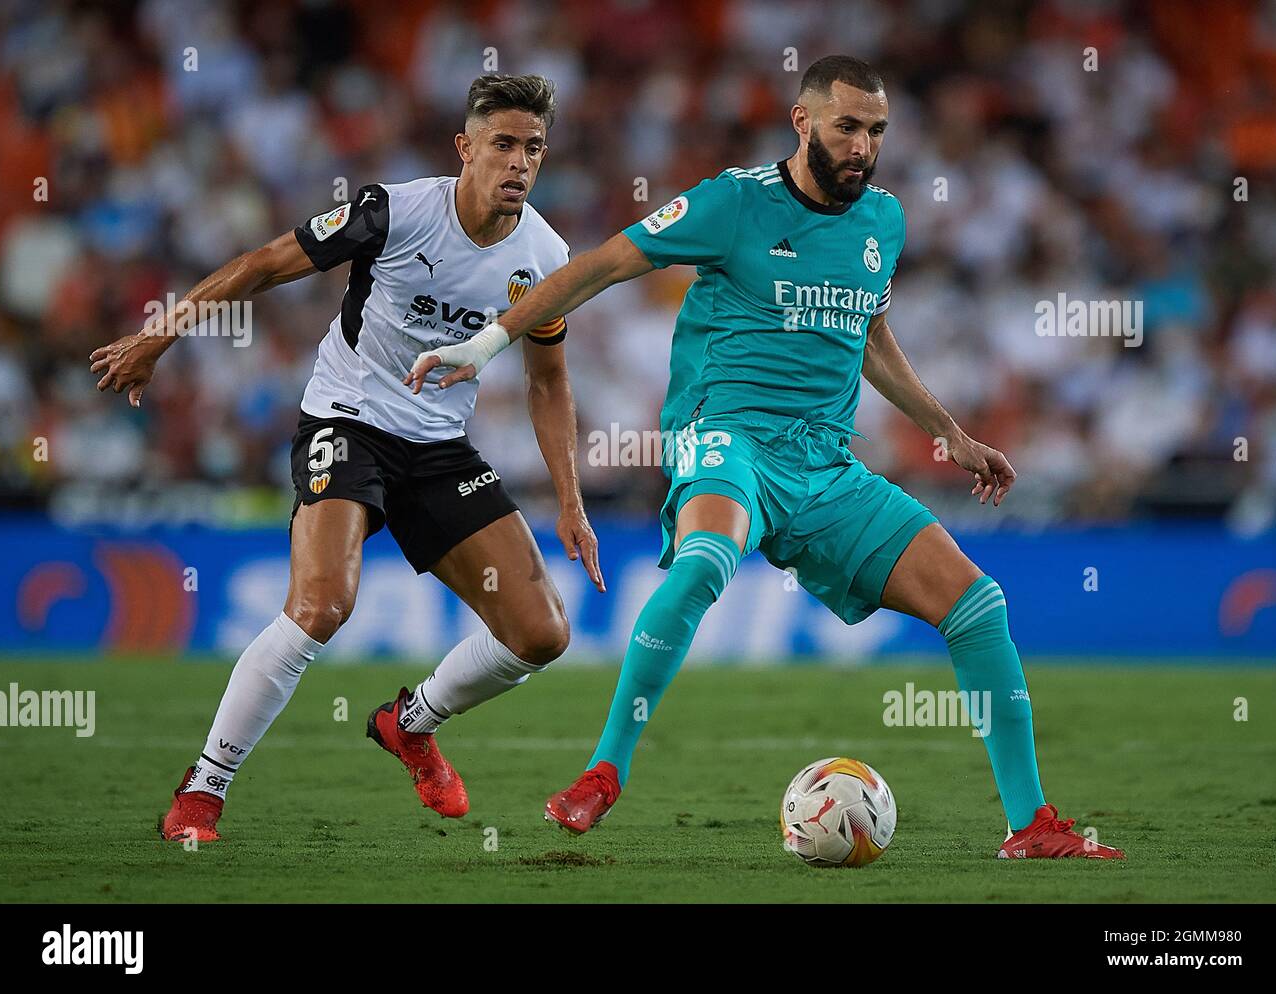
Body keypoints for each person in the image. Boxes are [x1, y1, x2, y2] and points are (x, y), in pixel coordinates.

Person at [407, 56, 1124, 860]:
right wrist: (488, 341)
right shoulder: (733, 203)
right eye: (847, 126)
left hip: (825, 464)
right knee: (706, 559)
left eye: (877, 131)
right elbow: (597, 268)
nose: (862, 146)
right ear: (803, 121)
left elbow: (870, 336)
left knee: (977, 605)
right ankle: (604, 771)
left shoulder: (883, 221)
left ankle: (1031, 826)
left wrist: (949, 431)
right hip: (726, 435)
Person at [89, 74, 604, 843]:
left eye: (533, 147)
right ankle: (203, 789)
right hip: (349, 421)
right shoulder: (392, 212)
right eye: (502, 144)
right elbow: (264, 263)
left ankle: (412, 722)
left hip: (439, 449)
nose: (520, 163)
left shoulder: (546, 256)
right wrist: (159, 335)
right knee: (322, 607)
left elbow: (548, 379)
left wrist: (570, 500)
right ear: (465, 149)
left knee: (543, 633)